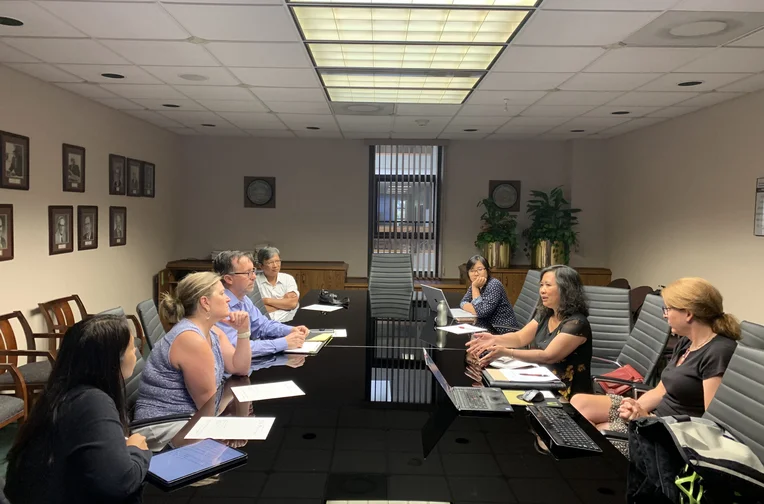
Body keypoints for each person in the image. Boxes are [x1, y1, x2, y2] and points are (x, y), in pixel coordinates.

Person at [4, 315, 151, 504]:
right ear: (115, 360)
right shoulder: (92, 402)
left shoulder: (55, 395)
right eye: (132, 348)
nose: (137, 353)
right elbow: (120, 483)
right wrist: (136, 450)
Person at [570, 277, 739, 436]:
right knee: (578, 403)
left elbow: (711, 424)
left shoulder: (718, 352)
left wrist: (649, 420)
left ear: (688, 313)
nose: (665, 315)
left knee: (595, 432)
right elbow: (660, 390)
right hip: (652, 416)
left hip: (671, 433)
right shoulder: (686, 343)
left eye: (668, 309)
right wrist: (635, 407)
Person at [133, 272, 252, 421]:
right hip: (166, 425)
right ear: (205, 302)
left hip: (189, 419)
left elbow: (240, 368)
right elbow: (208, 409)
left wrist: (243, 331)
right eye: (222, 293)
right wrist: (238, 410)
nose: (228, 298)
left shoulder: (212, 330)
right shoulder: (191, 340)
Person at [467, 264, 593, 399]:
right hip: (539, 382)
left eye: (548, 285)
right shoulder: (546, 314)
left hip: (566, 394)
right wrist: (494, 339)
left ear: (566, 289)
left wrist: (507, 352)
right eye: (541, 285)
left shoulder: (577, 323)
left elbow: (548, 356)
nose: (542, 290)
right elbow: (520, 338)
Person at [213, 250, 309, 357]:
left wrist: (290, 330)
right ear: (229, 279)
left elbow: (263, 325)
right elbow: (235, 348)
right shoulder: (219, 306)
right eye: (248, 273)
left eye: (253, 270)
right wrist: (284, 343)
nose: (254, 276)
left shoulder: (243, 298)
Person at [459, 255, 519, 330]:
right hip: (486, 326)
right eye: (472, 270)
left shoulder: (494, 285)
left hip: (502, 331)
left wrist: (475, 288)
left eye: (479, 269)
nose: (476, 274)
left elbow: (481, 312)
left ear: (487, 270)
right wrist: (476, 311)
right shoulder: (475, 283)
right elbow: (463, 302)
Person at [256, 247, 299, 322]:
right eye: (270, 262)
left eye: (277, 261)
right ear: (261, 266)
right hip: (264, 323)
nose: (275, 265)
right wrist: (283, 304)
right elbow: (256, 309)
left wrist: (267, 301)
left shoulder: (288, 278)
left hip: (288, 321)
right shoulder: (254, 281)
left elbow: (292, 304)